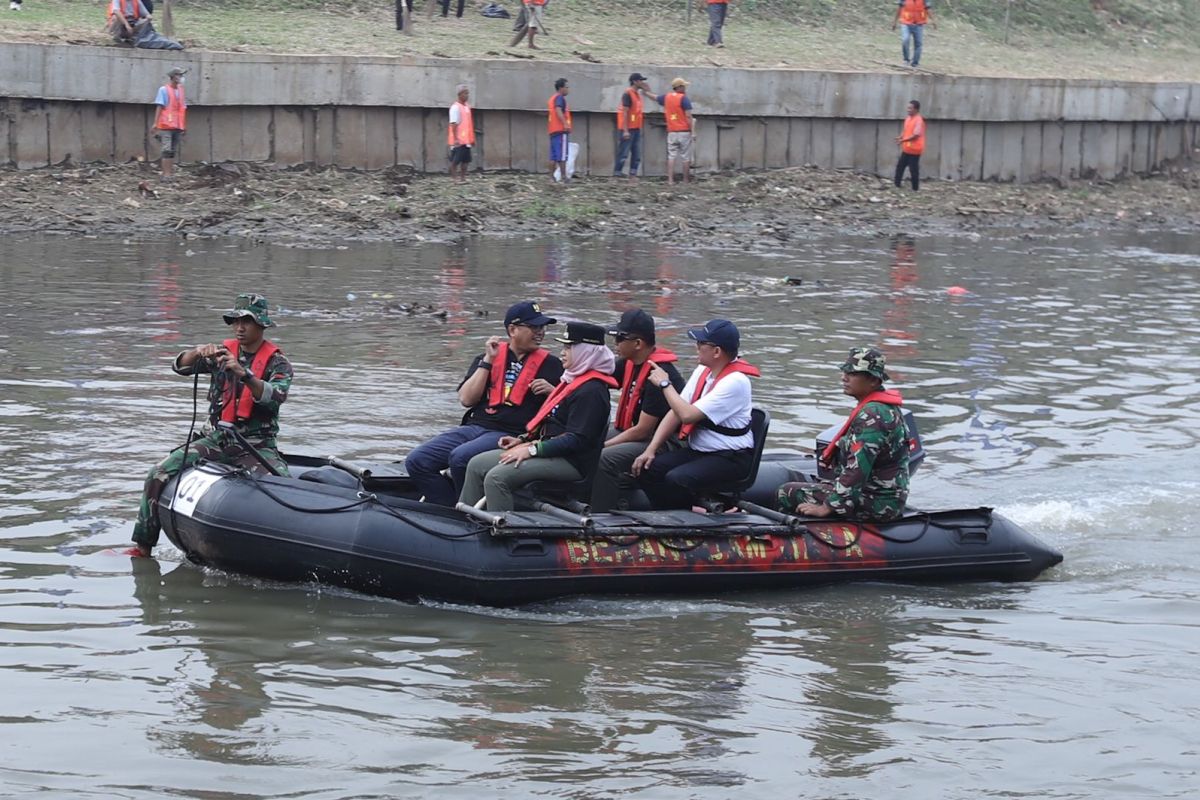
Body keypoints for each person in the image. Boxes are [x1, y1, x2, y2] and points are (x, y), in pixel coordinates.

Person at [128, 294, 293, 557]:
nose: (239, 328)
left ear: (261, 325)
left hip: (254, 445)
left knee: (284, 489)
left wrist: (245, 374)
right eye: (235, 322)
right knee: (158, 472)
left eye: (246, 322)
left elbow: (277, 396)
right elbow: (179, 367)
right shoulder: (221, 354)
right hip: (216, 438)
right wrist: (196, 352)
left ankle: (280, 554)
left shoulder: (278, 363)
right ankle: (142, 547)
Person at [405, 301, 564, 506]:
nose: (540, 332)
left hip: (510, 434)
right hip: (474, 427)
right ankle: (447, 509)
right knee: (417, 461)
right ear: (512, 330)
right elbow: (466, 399)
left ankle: (468, 512)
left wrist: (552, 391)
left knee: (461, 457)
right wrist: (488, 361)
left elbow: (567, 408)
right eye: (534, 327)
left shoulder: (553, 366)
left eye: (542, 327)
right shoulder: (488, 357)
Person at [461, 322, 617, 512]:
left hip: (571, 462)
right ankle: (465, 521)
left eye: (569, 347)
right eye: (564, 347)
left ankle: (503, 532)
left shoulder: (592, 391)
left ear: (587, 352)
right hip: (551, 451)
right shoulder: (571, 381)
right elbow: (553, 423)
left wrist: (532, 450)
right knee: (476, 464)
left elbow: (576, 440)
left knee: (497, 478)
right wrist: (523, 440)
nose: (562, 352)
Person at [631, 319, 759, 509]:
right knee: (649, 469)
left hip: (730, 457)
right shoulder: (703, 371)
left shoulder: (736, 382)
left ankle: (687, 519)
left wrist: (665, 384)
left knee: (678, 479)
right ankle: (668, 515)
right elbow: (676, 411)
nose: (696, 347)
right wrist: (651, 449)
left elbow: (687, 415)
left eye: (701, 344)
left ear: (717, 351)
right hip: (700, 451)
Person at [777, 348, 910, 522]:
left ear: (872, 380)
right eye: (845, 372)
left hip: (877, 503)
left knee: (786, 492)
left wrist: (827, 506)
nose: (844, 378)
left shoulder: (873, 415)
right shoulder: (880, 408)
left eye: (852, 373)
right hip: (878, 495)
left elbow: (857, 468)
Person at [590, 309, 685, 513]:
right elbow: (595, 380)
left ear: (638, 344)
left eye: (620, 338)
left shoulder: (658, 374)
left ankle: (601, 515)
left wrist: (603, 446)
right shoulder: (629, 363)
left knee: (603, 457)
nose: (615, 344)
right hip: (639, 432)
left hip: (663, 441)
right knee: (588, 438)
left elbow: (643, 430)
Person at [651, 78, 694, 185]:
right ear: (679, 87)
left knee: (671, 156)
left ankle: (670, 180)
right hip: (684, 131)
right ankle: (685, 180)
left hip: (672, 132)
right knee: (685, 157)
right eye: (683, 86)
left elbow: (655, 97)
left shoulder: (667, 97)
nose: (685, 88)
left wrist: (645, 92)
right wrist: (693, 131)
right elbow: (688, 116)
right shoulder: (684, 99)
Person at [152, 67, 187, 182]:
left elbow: (182, 108)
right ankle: (166, 174)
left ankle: (169, 173)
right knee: (166, 150)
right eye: (179, 75)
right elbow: (159, 106)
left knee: (172, 150)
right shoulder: (163, 90)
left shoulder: (181, 90)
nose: (181, 78)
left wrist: (183, 126)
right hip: (166, 125)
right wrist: (155, 123)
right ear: (173, 77)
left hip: (177, 125)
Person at [614, 73, 651, 180]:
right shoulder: (628, 94)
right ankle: (617, 174)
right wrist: (625, 130)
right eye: (640, 80)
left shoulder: (637, 94)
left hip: (635, 128)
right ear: (634, 81)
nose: (642, 82)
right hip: (627, 128)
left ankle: (632, 175)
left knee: (636, 154)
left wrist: (647, 90)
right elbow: (625, 112)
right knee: (623, 153)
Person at [892, 0, 936, 68]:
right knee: (905, 40)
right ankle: (906, 60)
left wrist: (933, 21)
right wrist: (895, 22)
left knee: (918, 44)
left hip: (919, 24)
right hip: (906, 23)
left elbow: (928, 9)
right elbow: (899, 8)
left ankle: (915, 63)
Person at [894, 99, 925, 191]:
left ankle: (915, 189)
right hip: (907, 148)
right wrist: (900, 137)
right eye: (908, 108)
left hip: (915, 150)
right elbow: (906, 130)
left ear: (916, 109)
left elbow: (916, 135)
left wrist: (902, 141)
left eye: (910, 108)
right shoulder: (908, 119)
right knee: (900, 166)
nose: (908, 110)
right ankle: (897, 185)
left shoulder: (919, 120)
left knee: (913, 170)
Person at [448, 83, 474, 183]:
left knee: (466, 160)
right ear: (459, 94)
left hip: (466, 140)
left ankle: (463, 178)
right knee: (455, 161)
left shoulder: (467, 107)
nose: (467, 95)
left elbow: (468, 124)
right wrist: (455, 139)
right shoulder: (455, 107)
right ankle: (455, 179)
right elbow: (453, 123)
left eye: (467, 93)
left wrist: (471, 139)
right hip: (458, 140)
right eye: (465, 93)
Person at [548, 77, 572, 184]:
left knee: (553, 156)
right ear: (561, 88)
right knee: (562, 155)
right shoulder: (560, 98)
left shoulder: (553, 98)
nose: (568, 89)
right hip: (561, 130)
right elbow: (558, 110)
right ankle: (563, 177)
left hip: (553, 131)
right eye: (566, 87)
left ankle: (551, 178)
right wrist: (565, 124)